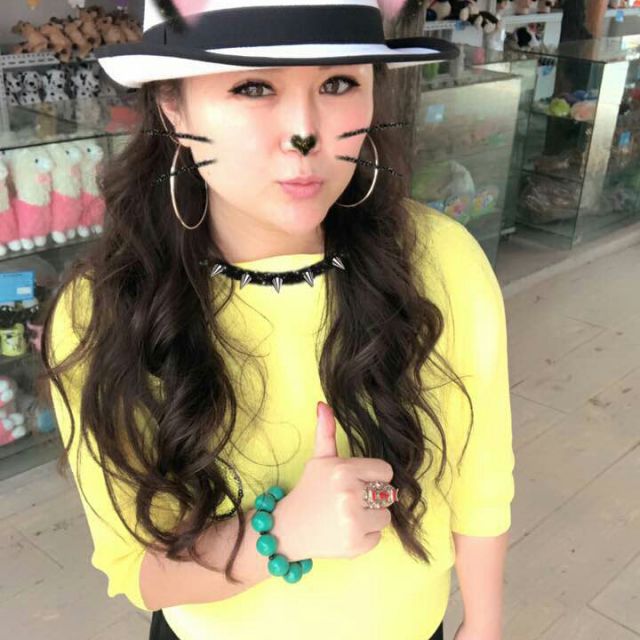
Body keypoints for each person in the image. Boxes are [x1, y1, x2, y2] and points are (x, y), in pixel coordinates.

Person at [41, 2, 514, 640]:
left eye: (338, 82)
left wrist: (483, 623)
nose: (305, 135)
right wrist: (283, 532)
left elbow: (481, 473)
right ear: (173, 107)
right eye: (253, 86)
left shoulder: (441, 259)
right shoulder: (99, 311)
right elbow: (136, 568)